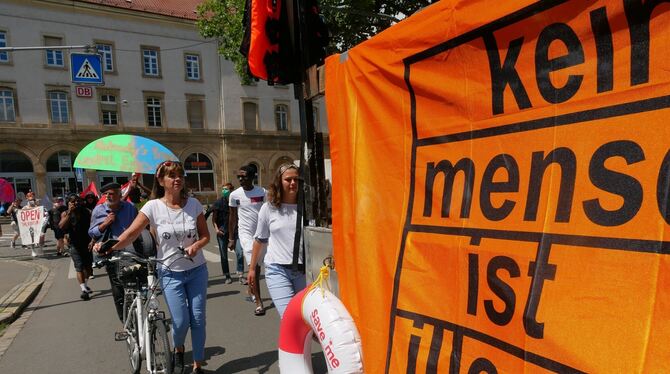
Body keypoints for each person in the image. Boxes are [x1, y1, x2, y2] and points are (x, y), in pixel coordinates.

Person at [98, 161, 209, 374]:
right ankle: (178, 348)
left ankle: (197, 364)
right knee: (180, 320)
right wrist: (111, 247)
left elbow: (205, 236)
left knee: (198, 319)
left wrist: (196, 245)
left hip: (197, 270)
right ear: (161, 180)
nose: (177, 179)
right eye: (171, 175)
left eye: (180, 175)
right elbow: (132, 232)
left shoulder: (193, 204)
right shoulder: (153, 207)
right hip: (169, 272)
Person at [248, 164, 305, 318]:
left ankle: (289, 343)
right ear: (279, 182)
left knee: (304, 320)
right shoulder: (269, 208)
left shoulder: (307, 208)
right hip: (277, 269)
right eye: (288, 179)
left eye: (296, 179)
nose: (293, 183)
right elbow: (259, 240)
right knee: (289, 318)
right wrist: (252, 269)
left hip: (303, 271)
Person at [89, 183, 138, 322]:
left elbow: (139, 227)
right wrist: (105, 223)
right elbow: (92, 232)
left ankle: (138, 313)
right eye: (106, 194)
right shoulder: (99, 210)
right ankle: (125, 322)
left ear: (120, 195)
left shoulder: (130, 208)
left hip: (131, 250)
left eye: (112, 193)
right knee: (118, 287)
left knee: (135, 284)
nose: (108, 196)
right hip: (111, 252)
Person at [228, 164, 267, 315]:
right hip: (245, 235)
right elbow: (232, 217)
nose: (240, 179)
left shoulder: (262, 192)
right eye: (239, 176)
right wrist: (231, 238)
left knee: (262, 265)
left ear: (252, 177)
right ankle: (258, 302)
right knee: (254, 267)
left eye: (244, 176)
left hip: (262, 234)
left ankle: (251, 289)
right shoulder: (234, 195)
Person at [59, 194, 93, 300]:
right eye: (73, 202)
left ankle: (85, 284)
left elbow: (93, 226)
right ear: (68, 203)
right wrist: (70, 212)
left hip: (87, 243)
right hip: (74, 244)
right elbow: (61, 226)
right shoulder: (65, 213)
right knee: (79, 267)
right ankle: (83, 290)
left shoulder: (87, 212)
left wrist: (93, 240)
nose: (76, 203)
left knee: (88, 268)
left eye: (77, 201)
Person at [210, 182, 236, 283]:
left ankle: (240, 273)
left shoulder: (234, 202)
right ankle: (227, 276)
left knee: (239, 252)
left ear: (231, 191)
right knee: (224, 255)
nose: (224, 191)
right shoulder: (218, 203)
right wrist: (216, 230)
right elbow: (213, 219)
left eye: (226, 189)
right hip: (222, 233)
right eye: (223, 189)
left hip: (233, 232)